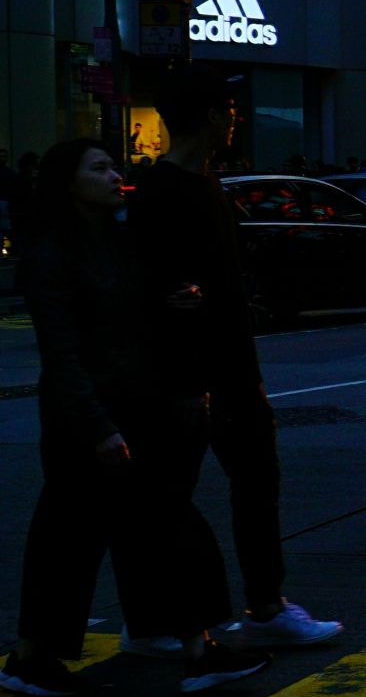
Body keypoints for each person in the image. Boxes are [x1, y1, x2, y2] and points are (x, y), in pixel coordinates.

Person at [0, 139, 268, 696]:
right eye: (98, 168)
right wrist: (97, 427)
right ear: (67, 183)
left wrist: (178, 302)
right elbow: (63, 354)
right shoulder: (52, 255)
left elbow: (134, 314)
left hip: (133, 408)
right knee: (96, 534)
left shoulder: (118, 242)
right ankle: (188, 645)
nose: (114, 174)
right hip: (90, 420)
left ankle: (184, 643)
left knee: (130, 528)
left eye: (114, 165)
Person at [129, 66, 343, 652]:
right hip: (197, 375)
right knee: (188, 495)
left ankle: (240, 607)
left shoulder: (199, 188)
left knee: (237, 485)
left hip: (225, 369)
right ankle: (208, 614)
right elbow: (156, 289)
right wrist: (188, 376)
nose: (234, 120)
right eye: (227, 110)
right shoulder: (167, 193)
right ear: (208, 117)